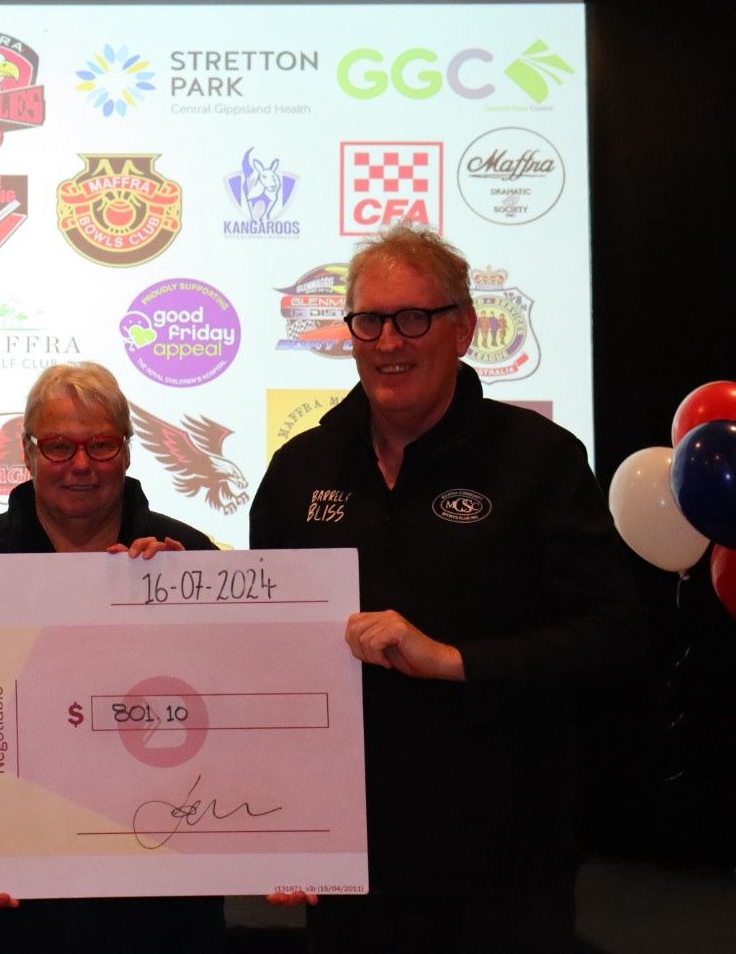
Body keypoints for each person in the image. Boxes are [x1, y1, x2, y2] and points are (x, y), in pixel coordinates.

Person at [249, 224, 644, 952]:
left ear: (463, 328)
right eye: (369, 320)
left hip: (503, 863)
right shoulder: (300, 468)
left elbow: (612, 636)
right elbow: (261, 660)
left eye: (413, 318)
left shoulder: (539, 461)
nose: (388, 342)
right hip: (351, 864)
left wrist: (455, 661)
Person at [0, 361, 227, 952]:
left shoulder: (190, 560)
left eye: (101, 444)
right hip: (0, 908)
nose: (80, 464)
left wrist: (181, 609)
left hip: (157, 908)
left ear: (127, 451)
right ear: (28, 453)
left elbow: (236, 725)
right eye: (59, 446)